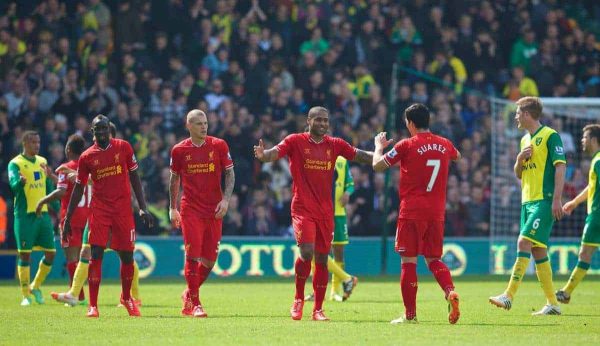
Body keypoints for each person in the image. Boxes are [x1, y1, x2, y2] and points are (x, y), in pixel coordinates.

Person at [254, 106, 374, 321]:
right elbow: (275, 152)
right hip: (302, 208)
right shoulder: (295, 141)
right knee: (307, 252)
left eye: (326, 120)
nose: (323, 124)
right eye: (318, 120)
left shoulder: (335, 144)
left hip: (326, 211)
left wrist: (385, 154)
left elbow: (361, 156)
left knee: (321, 257)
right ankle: (298, 298)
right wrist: (264, 156)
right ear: (308, 121)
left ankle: (318, 309)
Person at [372, 103, 461, 324]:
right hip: (436, 212)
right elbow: (457, 155)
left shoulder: (406, 145)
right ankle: (450, 291)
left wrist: (378, 147)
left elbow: (377, 166)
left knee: (408, 262)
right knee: (433, 259)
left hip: (412, 211)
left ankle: (410, 315)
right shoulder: (444, 144)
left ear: (411, 123)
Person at [62, 114, 153, 318]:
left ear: (109, 130)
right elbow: (78, 188)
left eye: (104, 128)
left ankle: (127, 298)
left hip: (122, 211)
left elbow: (134, 177)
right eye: (98, 129)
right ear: (92, 132)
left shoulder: (124, 147)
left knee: (127, 256)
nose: (101, 132)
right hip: (100, 211)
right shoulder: (87, 157)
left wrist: (142, 207)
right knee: (96, 255)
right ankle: (93, 305)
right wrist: (67, 218)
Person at [489, 96, 566, 315]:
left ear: (526, 114)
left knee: (523, 241)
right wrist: (519, 160)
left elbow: (560, 167)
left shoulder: (550, 136)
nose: (515, 117)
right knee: (538, 250)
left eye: (517, 113)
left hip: (544, 199)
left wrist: (556, 199)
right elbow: (518, 174)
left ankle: (508, 296)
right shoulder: (524, 141)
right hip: (527, 201)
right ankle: (553, 303)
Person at [169, 109, 235, 318]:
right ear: (188, 126)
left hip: (214, 209)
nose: (204, 127)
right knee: (192, 255)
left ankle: (188, 293)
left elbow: (230, 172)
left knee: (209, 260)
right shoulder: (179, 150)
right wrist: (172, 208)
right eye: (198, 123)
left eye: (205, 123)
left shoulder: (218, 145)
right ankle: (195, 303)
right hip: (191, 210)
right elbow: (174, 180)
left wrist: (226, 199)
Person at [36, 134, 90, 306]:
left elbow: (61, 192)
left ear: (68, 149)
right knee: (85, 258)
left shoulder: (66, 167)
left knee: (72, 258)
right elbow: (70, 187)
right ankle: (77, 295)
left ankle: (77, 296)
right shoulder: (87, 167)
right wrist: (52, 177)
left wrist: (42, 201)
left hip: (71, 218)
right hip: (88, 218)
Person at [8, 131, 58, 306]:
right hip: (24, 216)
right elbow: (13, 186)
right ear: (25, 144)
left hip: (42, 215)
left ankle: (35, 286)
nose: (37, 145)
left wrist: (59, 210)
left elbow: (49, 187)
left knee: (51, 253)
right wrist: (19, 183)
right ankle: (25, 295)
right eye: (33, 142)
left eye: (38, 142)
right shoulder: (15, 164)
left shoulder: (42, 161)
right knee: (25, 255)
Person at [556, 124, 600, 303]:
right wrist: (574, 202)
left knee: (585, 253)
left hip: (597, 216)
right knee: (585, 253)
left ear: (594, 140)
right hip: (595, 214)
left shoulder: (598, 161)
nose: (582, 140)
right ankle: (566, 292)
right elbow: (592, 187)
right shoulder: (596, 160)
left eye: (585, 137)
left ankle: (566, 292)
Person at [305, 156, 358, 302]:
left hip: (338, 214)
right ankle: (318, 291)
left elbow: (350, 183)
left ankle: (334, 292)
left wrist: (348, 193)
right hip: (320, 212)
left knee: (338, 252)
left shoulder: (341, 160)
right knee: (316, 252)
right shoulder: (314, 159)